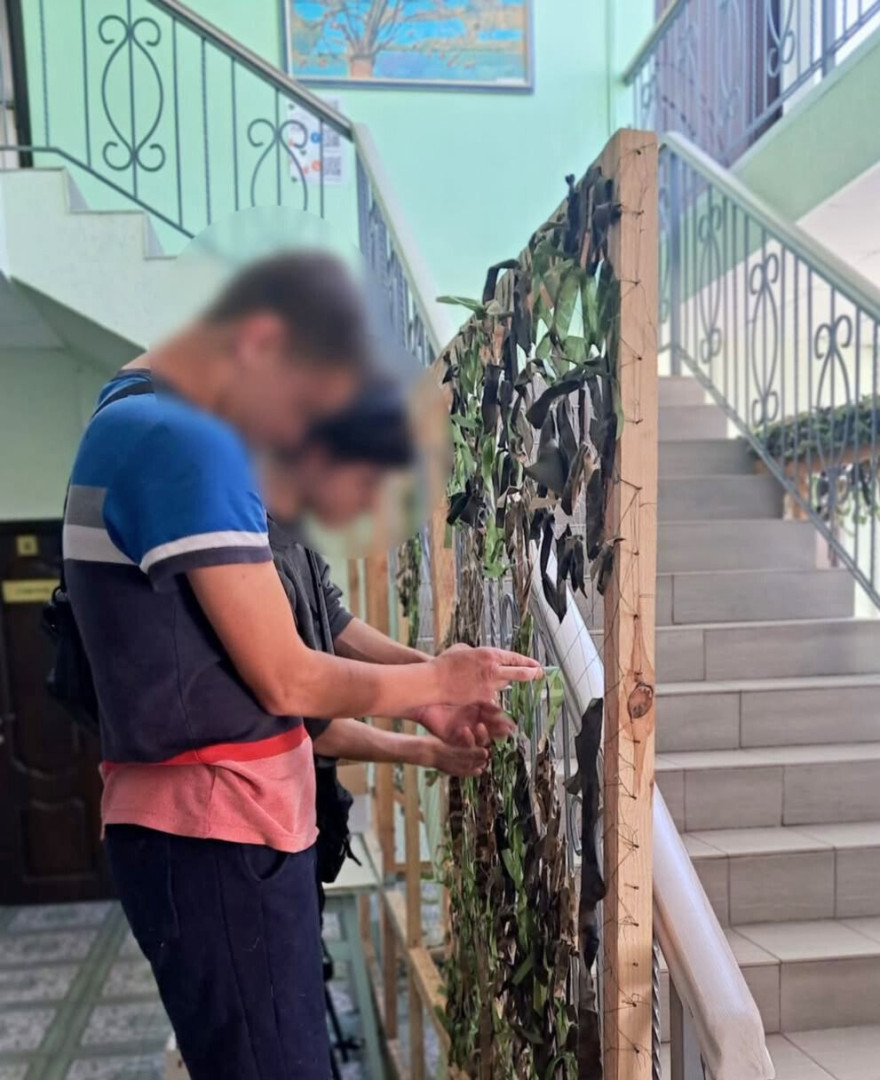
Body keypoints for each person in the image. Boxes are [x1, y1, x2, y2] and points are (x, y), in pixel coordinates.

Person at [63, 251, 542, 1080]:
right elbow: (286, 677)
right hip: (215, 834)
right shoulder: (183, 444)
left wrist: (427, 692)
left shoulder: (140, 425)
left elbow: (325, 627)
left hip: (212, 832)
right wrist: (435, 682)